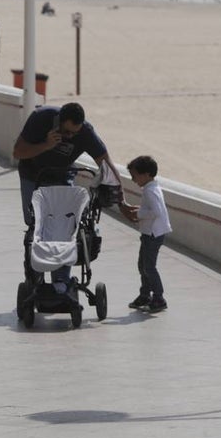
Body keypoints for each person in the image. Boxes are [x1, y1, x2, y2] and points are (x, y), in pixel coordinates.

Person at [12, 102, 123, 279]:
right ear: (58, 121)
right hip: (32, 175)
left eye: (74, 133)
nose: (70, 136)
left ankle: (61, 281)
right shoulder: (40, 118)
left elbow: (106, 164)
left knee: (66, 227)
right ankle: (35, 276)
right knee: (35, 223)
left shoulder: (85, 132)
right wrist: (46, 145)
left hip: (62, 176)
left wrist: (121, 200)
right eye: (66, 131)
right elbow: (18, 152)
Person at [119, 155, 171, 312]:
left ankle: (158, 298)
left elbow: (156, 211)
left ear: (146, 174)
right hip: (150, 233)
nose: (133, 180)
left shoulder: (150, 191)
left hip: (153, 234)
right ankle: (145, 295)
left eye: (135, 176)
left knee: (149, 267)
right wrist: (140, 210)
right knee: (143, 265)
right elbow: (153, 209)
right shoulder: (152, 188)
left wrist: (138, 214)